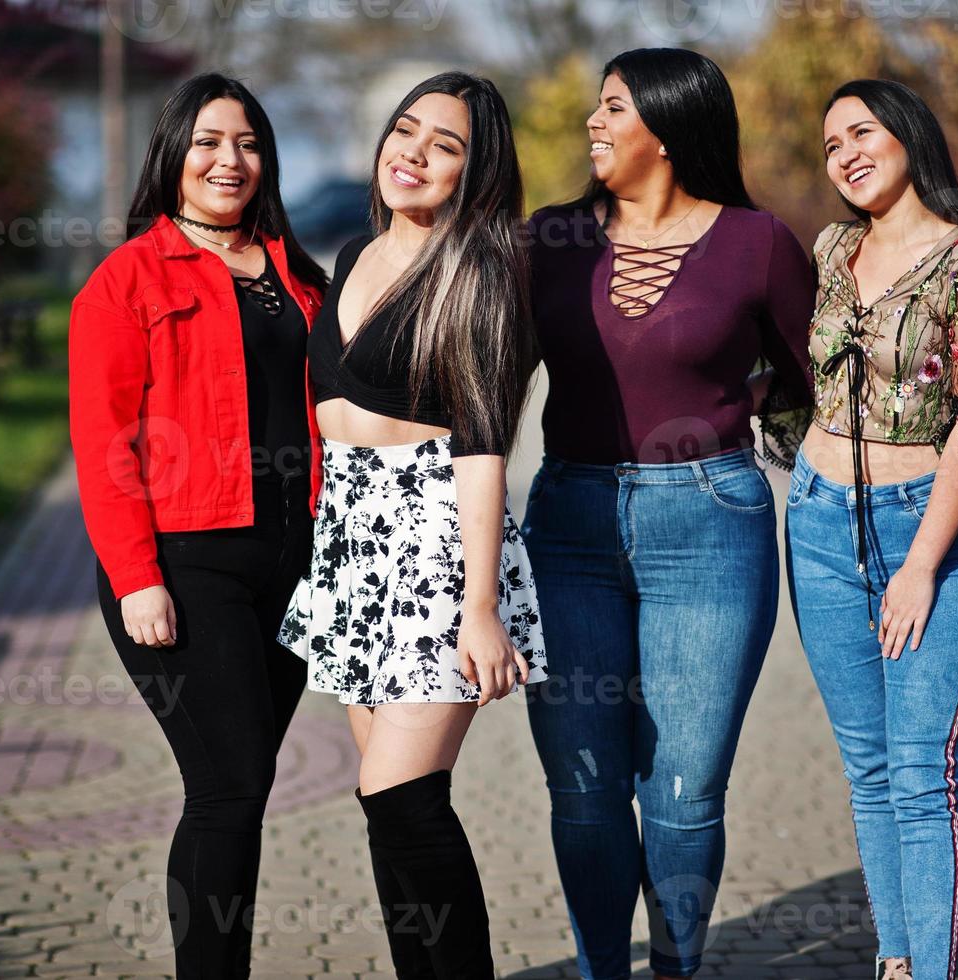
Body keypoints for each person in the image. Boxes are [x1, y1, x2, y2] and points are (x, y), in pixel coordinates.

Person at [522, 47, 816, 980]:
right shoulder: (550, 238)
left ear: (666, 124)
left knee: (685, 794)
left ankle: (675, 970)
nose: (592, 124)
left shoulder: (755, 240)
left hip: (710, 529)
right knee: (585, 790)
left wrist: (741, 408)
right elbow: (482, 378)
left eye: (611, 108)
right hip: (567, 524)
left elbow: (817, 378)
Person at [277, 71, 547, 979]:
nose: (415, 153)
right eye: (405, 130)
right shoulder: (352, 256)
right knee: (389, 809)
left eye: (446, 145)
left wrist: (480, 609)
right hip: (354, 540)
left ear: (475, 173)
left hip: (434, 540)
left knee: (401, 802)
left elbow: (481, 446)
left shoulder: (478, 273)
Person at [67, 72, 329, 979]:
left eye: (248, 143)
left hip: (293, 561)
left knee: (238, 793)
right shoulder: (125, 280)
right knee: (228, 787)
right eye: (210, 141)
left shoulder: (296, 271)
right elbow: (104, 445)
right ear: (172, 152)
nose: (230, 160)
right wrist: (137, 577)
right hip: (187, 565)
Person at [787, 78, 958, 980]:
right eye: (829, 145)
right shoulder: (830, 248)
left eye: (861, 132)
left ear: (907, 136)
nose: (845, 153)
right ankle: (893, 961)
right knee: (866, 768)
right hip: (816, 522)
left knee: (921, 774)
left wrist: (922, 565)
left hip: (923, 530)